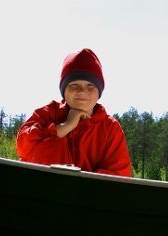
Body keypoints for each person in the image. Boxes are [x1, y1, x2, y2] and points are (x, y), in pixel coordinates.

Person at [17, 48, 132, 177]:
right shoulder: (48, 113)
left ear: (99, 92)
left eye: (90, 86)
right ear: (64, 90)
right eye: (74, 85)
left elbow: (118, 175)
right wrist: (66, 126)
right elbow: (24, 148)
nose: (82, 91)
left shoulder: (110, 128)